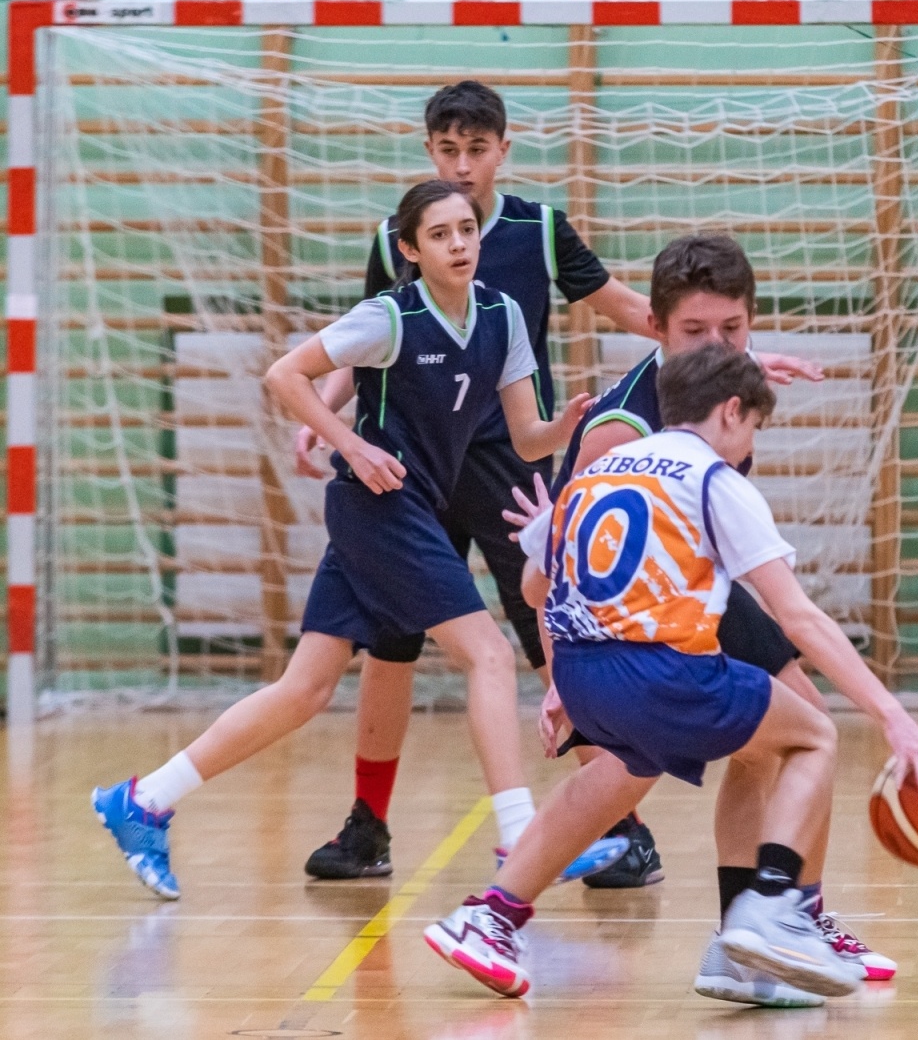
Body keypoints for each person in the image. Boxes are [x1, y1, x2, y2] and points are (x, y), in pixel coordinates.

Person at [293, 81, 819, 884]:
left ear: (503, 149)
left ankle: (624, 827)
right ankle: (369, 824)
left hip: (508, 459)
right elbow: (374, 331)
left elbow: (633, 308)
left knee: (552, 627)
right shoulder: (402, 233)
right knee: (390, 646)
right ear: (429, 152)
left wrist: (728, 357)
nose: (463, 165)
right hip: (415, 458)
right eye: (448, 149)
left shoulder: (538, 231)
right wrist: (326, 409)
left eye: (477, 148)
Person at [91, 180, 586, 900]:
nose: (458, 244)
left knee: (306, 688)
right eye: (440, 234)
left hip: (402, 508)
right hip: (377, 507)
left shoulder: (503, 317)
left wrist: (568, 424)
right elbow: (283, 375)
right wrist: (347, 445)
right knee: (486, 652)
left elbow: (523, 434)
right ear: (410, 250)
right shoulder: (389, 317)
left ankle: (142, 801)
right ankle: (519, 836)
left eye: (466, 230)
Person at [423, 344, 918, 1004]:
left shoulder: (599, 468)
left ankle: (494, 916)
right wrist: (892, 716)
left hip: (585, 675)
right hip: (662, 673)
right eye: (753, 428)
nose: (748, 445)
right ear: (731, 412)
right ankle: (770, 907)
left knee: (637, 766)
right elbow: (798, 618)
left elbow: (534, 588)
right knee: (812, 734)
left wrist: (552, 539)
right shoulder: (712, 479)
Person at [533, 232, 897, 979]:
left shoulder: (716, 387)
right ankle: (785, 917)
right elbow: (555, 562)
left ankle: (765, 926)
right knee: (798, 736)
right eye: (696, 333)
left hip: (698, 591)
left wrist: (752, 363)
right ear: (656, 330)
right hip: (640, 620)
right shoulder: (619, 426)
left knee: (770, 747)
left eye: (733, 331)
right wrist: (554, 674)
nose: (718, 346)